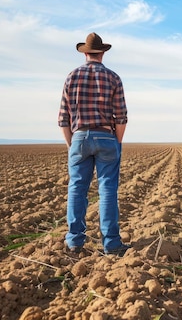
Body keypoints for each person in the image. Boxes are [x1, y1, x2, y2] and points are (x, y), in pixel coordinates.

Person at [58, 32, 129, 256]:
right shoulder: (113, 78)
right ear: (102, 53)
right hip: (107, 136)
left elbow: (63, 118)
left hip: (79, 136)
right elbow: (121, 117)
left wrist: (72, 144)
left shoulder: (72, 76)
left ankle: (74, 242)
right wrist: (116, 142)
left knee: (77, 189)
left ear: (85, 53)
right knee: (107, 190)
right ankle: (111, 244)